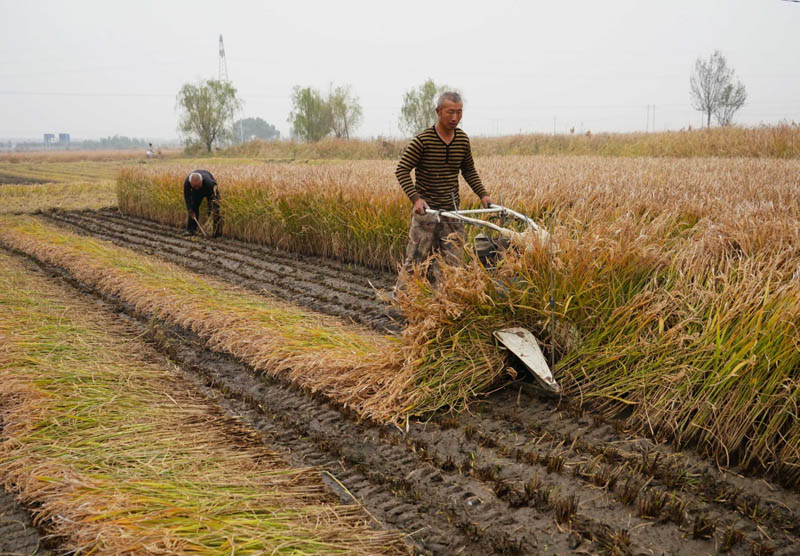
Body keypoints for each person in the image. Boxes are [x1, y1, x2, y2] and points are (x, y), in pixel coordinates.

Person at [395, 91, 492, 286]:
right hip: (427, 214)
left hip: (453, 214)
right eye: (450, 112)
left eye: (459, 112)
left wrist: (483, 195)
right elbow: (402, 170)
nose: (455, 117)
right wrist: (416, 199)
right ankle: (402, 305)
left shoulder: (462, 140)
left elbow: (468, 170)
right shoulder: (423, 141)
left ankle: (442, 308)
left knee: (451, 266)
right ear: (438, 112)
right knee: (416, 263)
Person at [183, 170, 221, 237]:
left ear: (201, 181)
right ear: (190, 183)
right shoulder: (187, 183)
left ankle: (215, 232)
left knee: (213, 210)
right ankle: (191, 230)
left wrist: (215, 209)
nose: (197, 188)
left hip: (208, 190)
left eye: (198, 186)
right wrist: (189, 210)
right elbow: (187, 197)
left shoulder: (210, 183)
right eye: (194, 186)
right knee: (193, 207)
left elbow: (216, 197)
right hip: (196, 193)